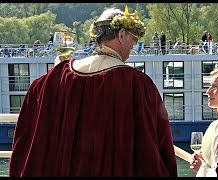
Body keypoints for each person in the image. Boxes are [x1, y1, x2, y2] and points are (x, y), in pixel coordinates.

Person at [9, 6, 177, 177]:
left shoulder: (57, 77)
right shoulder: (138, 84)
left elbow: (29, 133)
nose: (133, 45)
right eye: (133, 38)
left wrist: (57, 72)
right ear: (121, 35)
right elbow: (154, 146)